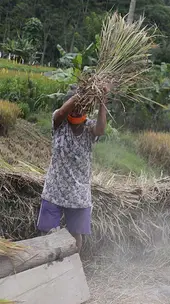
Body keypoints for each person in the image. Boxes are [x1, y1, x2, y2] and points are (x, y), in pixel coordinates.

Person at [37, 86, 108, 251]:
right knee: (46, 233)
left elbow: (101, 129)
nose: (77, 111)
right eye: (74, 107)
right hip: (55, 190)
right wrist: (83, 94)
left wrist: (103, 98)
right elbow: (62, 113)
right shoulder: (59, 123)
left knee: (76, 235)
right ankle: (48, 267)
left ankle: (73, 267)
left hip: (79, 193)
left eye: (82, 108)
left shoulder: (89, 128)